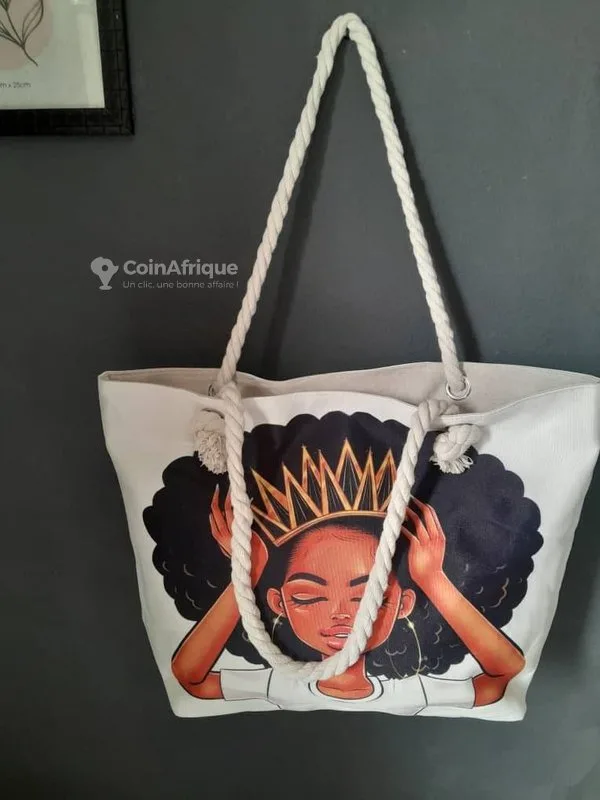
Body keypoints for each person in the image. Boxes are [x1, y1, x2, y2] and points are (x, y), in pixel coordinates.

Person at [170, 488, 525, 712]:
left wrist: (434, 579)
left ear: (404, 604)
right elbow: (189, 679)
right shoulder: (276, 681)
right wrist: (247, 575)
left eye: (366, 597)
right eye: (309, 596)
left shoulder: (411, 688)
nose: (341, 614)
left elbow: (505, 676)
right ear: (278, 603)